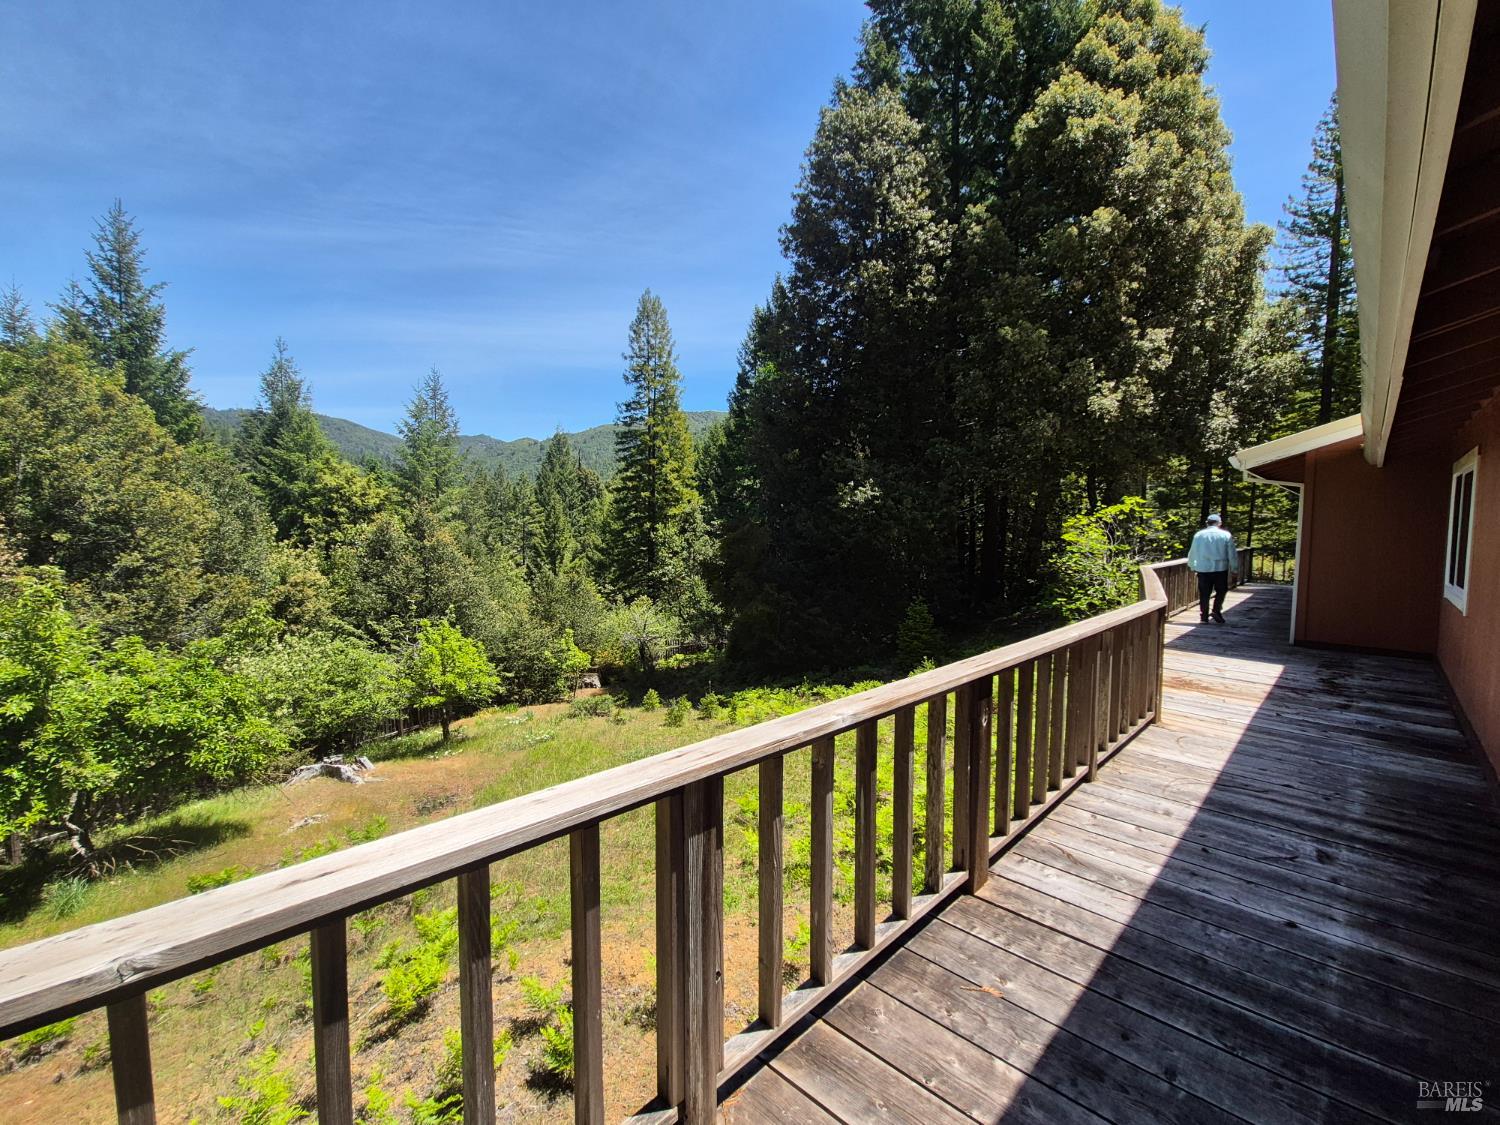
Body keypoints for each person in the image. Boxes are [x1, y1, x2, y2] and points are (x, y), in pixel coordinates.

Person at [1187, 513, 1237, 623]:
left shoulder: (1199, 535)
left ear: (1207, 523)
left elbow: (1193, 552)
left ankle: (1204, 617)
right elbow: (1232, 554)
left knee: (1204, 593)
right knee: (1221, 590)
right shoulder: (1225, 535)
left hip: (1203, 569)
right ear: (1219, 523)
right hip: (1220, 568)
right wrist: (1234, 569)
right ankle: (1216, 610)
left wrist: (1192, 566)